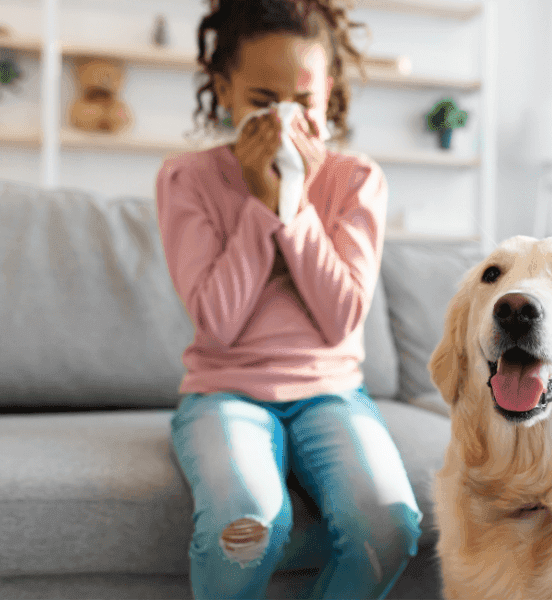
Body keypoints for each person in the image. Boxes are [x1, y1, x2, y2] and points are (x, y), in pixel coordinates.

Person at [154, 1, 422, 598]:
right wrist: (257, 204)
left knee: (389, 524)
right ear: (224, 91)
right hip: (226, 390)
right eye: (261, 99)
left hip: (331, 392)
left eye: (304, 102)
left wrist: (294, 206)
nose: (285, 120)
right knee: (247, 524)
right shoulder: (187, 179)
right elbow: (217, 325)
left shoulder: (356, 181)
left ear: (330, 96)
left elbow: (340, 320)